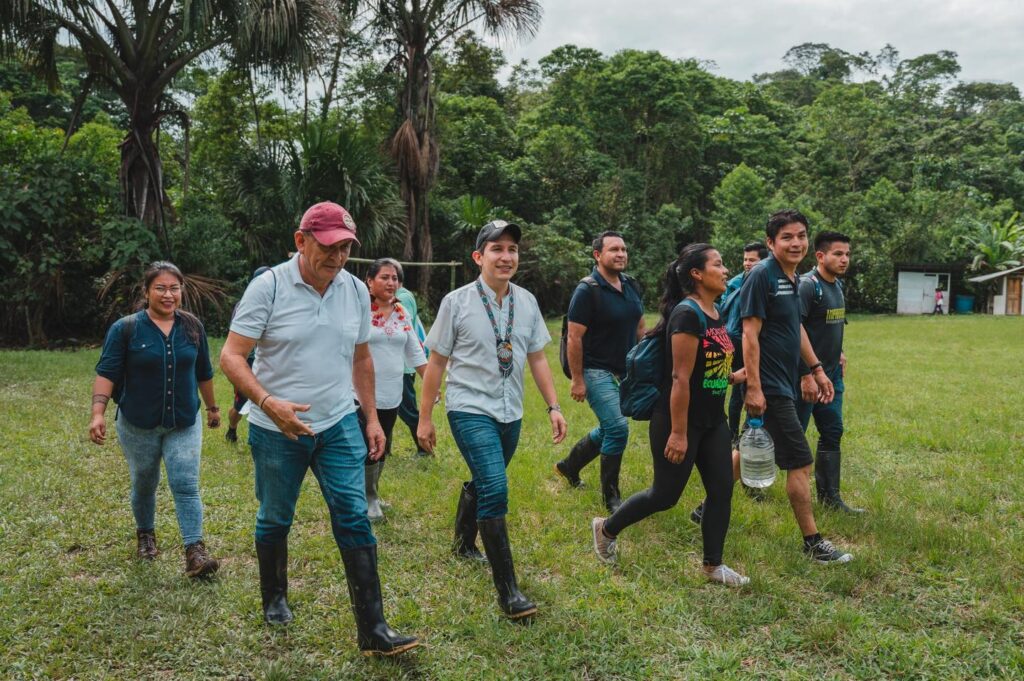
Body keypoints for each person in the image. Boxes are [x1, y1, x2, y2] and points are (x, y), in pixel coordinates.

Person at [220, 201, 418, 656]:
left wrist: (371, 418)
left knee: (353, 514)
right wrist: (268, 403)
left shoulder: (354, 290)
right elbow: (231, 356)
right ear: (300, 241)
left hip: (338, 422)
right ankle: (274, 597)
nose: (338, 256)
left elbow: (362, 358)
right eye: (328, 246)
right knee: (276, 516)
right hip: (277, 429)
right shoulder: (268, 287)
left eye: (345, 247)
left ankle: (374, 630)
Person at [417, 220, 568, 620]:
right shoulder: (456, 302)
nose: (506, 256)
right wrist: (425, 418)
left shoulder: (527, 302)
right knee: (496, 488)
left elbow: (537, 357)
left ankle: (464, 542)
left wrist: (553, 406)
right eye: (497, 249)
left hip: (510, 411)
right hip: (469, 407)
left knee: (486, 478)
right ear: (478, 257)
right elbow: (436, 363)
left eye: (512, 249)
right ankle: (509, 592)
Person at [591, 245, 749, 586]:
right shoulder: (687, 314)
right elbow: (679, 377)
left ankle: (713, 565)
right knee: (664, 495)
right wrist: (678, 433)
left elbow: (706, 367)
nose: (726, 270)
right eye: (718, 264)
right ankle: (606, 529)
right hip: (680, 420)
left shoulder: (715, 311)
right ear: (697, 274)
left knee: (721, 490)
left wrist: (733, 377)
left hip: (713, 419)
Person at [89, 261, 221, 578]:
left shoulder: (192, 327)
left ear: (182, 291)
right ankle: (146, 534)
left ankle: (195, 551)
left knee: (185, 483)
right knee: (145, 481)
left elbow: (203, 372)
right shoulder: (126, 329)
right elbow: (107, 373)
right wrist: (97, 413)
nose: (168, 294)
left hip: (183, 421)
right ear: (146, 291)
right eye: (160, 288)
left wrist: (213, 408)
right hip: (137, 423)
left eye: (174, 288)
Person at [739, 209, 853, 564]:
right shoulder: (762, 275)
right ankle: (813, 543)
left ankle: (704, 507)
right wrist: (754, 388)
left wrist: (817, 369)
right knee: (800, 461)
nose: (796, 242)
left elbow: (796, 329)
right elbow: (749, 334)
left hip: (784, 381)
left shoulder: (792, 278)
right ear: (771, 242)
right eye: (787, 237)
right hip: (770, 386)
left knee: (746, 448)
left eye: (801, 235)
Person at [556, 231, 645, 512]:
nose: (621, 254)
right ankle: (611, 497)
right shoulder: (587, 290)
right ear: (597, 255)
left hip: (625, 370)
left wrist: (644, 362)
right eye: (614, 249)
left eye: (623, 249)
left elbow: (640, 326)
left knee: (609, 426)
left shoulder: (631, 285)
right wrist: (577, 379)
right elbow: (574, 337)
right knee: (617, 427)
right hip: (595, 369)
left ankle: (569, 466)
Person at [797, 232, 863, 514]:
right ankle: (721, 493)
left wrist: (840, 352)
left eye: (847, 254)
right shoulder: (807, 286)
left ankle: (830, 499)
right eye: (838, 254)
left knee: (832, 431)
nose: (844, 259)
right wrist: (806, 374)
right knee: (784, 439)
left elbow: (831, 324)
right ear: (820, 256)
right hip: (804, 377)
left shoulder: (837, 285)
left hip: (831, 376)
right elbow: (794, 331)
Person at [360, 258, 427, 522]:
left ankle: (373, 492)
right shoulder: (360, 310)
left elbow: (415, 351)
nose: (391, 283)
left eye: (395, 278)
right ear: (370, 281)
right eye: (385, 277)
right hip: (361, 395)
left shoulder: (402, 313)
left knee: (382, 444)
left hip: (391, 395)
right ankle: (367, 497)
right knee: (368, 445)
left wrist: (430, 383)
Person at [724, 242, 769, 445]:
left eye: (752, 260)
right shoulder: (735, 283)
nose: (747, 263)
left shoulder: (763, 280)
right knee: (740, 390)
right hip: (737, 341)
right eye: (745, 259)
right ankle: (734, 435)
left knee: (748, 388)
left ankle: (746, 432)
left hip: (755, 341)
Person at [226, 266, 271, 444]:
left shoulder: (279, 301)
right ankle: (232, 429)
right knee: (241, 402)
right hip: (247, 359)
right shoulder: (244, 304)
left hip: (267, 360)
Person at [394, 276, 431, 458]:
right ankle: (383, 449)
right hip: (393, 366)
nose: (388, 282)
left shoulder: (403, 297)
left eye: (391, 277)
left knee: (407, 409)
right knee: (385, 410)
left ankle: (424, 448)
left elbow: (402, 329)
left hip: (404, 366)